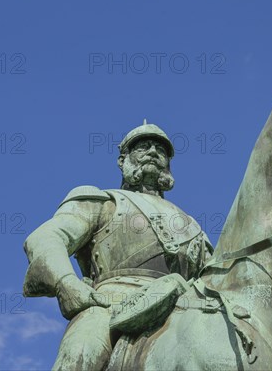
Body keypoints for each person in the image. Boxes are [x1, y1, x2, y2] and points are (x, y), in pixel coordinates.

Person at [22, 122, 213, 370]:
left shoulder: (194, 227)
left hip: (185, 306)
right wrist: (65, 283)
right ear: (123, 160)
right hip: (111, 304)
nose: (154, 151)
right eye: (143, 147)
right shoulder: (103, 201)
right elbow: (46, 237)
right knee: (82, 352)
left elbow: (215, 279)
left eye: (160, 149)